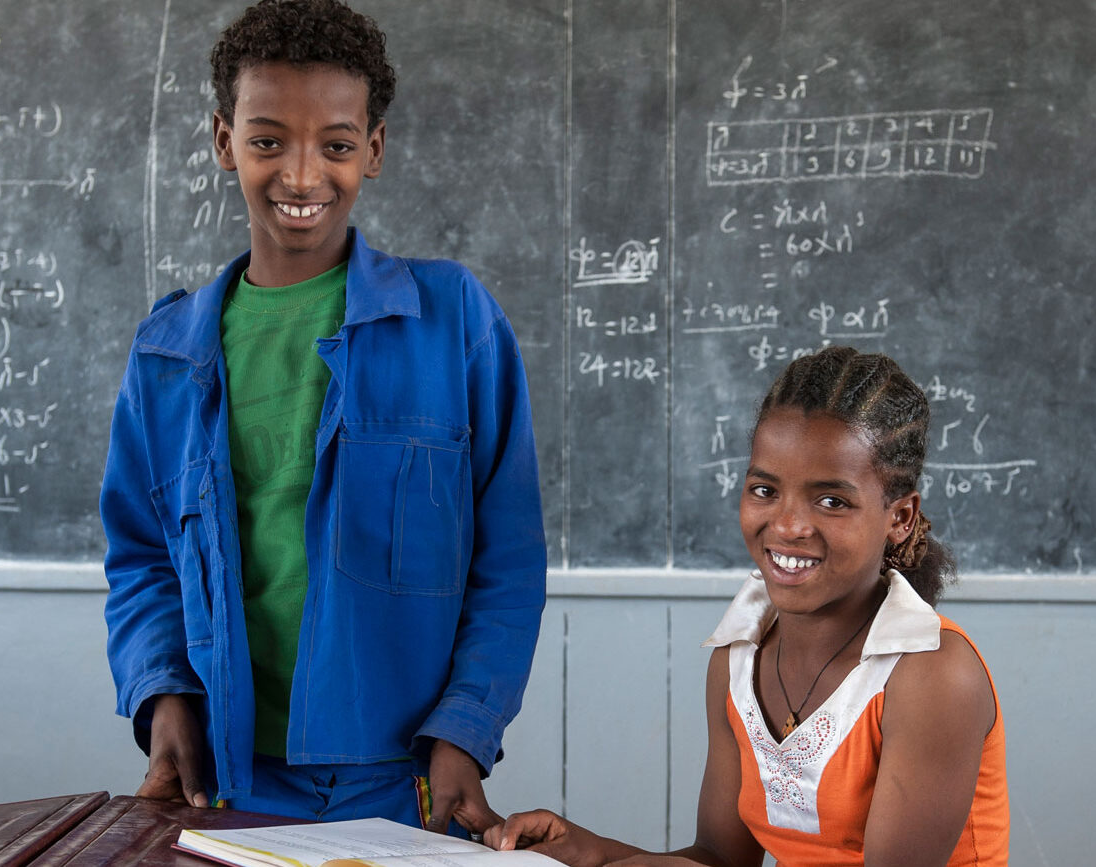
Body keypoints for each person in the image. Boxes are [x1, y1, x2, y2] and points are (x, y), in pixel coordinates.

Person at [99, 0, 544, 835]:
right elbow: (142, 559)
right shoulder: (167, 354)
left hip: (408, 775)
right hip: (229, 776)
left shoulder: (452, 321)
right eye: (268, 140)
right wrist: (162, 695)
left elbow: (508, 560)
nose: (301, 177)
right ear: (224, 140)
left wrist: (466, 729)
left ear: (371, 151)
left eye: (335, 145)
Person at [487, 348, 1006, 866]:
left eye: (832, 501)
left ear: (900, 517)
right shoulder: (738, 659)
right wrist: (586, 851)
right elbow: (719, 858)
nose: (786, 526)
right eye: (765, 490)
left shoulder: (930, 674)